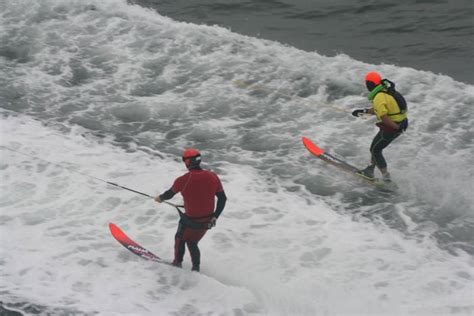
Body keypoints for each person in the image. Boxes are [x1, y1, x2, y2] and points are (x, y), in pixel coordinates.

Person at [155, 148, 227, 272]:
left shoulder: (183, 180)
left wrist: (160, 198)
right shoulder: (213, 176)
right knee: (192, 242)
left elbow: (169, 194)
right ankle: (196, 269)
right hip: (208, 222)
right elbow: (222, 198)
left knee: (180, 238)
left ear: (187, 162)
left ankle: (176, 265)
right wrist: (215, 217)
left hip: (191, 222)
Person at [352, 71, 408, 182]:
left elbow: (383, 116)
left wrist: (396, 128)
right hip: (401, 123)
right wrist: (363, 111)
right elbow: (381, 109)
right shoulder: (386, 91)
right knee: (376, 147)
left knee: (375, 149)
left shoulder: (379, 97)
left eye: (367, 83)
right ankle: (370, 170)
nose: (366, 85)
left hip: (392, 127)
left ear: (370, 84)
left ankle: (386, 177)